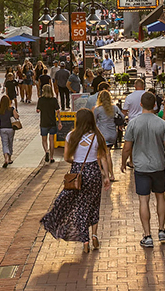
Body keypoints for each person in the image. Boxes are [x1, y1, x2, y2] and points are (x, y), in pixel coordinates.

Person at [40, 108, 110, 253]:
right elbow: (103, 157)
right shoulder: (97, 136)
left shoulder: (71, 135)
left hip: (77, 172)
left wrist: (76, 162)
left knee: (80, 207)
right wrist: (107, 176)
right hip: (94, 173)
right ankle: (95, 234)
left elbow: (66, 158)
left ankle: (85, 240)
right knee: (94, 204)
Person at [121, 92, 165, 248]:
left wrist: (124, 162)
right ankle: (162, 230)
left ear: (140, 105)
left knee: (143, 200)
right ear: (155, 106)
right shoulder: (161, 124)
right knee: (160, 197)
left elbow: (127, 147)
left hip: (141, 167)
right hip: (158, 165)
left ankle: (147, 235)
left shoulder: (133, 124)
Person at [94, 90, 123, 181]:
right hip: (112, 134)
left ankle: (108, 174)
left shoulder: (98, 109)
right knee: (105, 153)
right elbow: (122, 116)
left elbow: (93, 121)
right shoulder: (114, 108)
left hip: (102, 134)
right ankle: (107, 173)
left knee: (104, 155)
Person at [0, 95, 19, 168]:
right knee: (10, 143)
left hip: (2, 128)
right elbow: (16, 116)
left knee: (4, 143)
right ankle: (10, 158)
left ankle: (6, 158)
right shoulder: (11, 109)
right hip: (10, 128)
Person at [36, 84, 60, 163]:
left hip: (44, 121)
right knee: (51, 140)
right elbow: (58, 111)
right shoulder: (53, 100)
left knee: (44, 139)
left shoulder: (41, 100)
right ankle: (52, 157)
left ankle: (46, 151)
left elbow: (38, 110)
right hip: (52, 121)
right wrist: (59, 122)